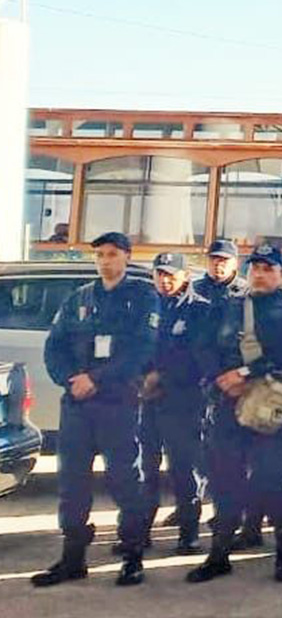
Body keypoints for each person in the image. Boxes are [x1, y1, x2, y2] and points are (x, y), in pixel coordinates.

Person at [33, 232, 157, 588]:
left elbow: (141, 351)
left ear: (126, 257)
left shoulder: (142, 298)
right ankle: (72, 559)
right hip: (77, 405)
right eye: (100, 254)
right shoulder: (79, 298)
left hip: (118, 403)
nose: (105, 260)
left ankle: (132, 557)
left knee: (124, 481)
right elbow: (53, 347)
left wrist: (97, 379)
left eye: (112, 254)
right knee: (72, 483)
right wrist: (71, 379)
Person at [186, 244, 282, 584]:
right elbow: (202, 346)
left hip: (271, 408)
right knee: (225, 481)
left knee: (276, 483)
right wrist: (220, 378)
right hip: (229, 406)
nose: (260, 274)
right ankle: (219, 556)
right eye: (255, 268)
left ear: (279, 275)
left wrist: (243, 375)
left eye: (268, 269)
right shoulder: (226, 307)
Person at [139, 252, 212, 557]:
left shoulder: (201, 311)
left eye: (171, 274)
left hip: (184, 403)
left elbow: (200, 359)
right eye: (160, 274)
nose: (165, 280)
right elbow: (133, 347)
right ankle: (139, 533)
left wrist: (161, 378)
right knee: (143, 472)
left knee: (184, 470)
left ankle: (188, 534)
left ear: (184, 276)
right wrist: (139, 379)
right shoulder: (144, 307)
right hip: (145, 403)